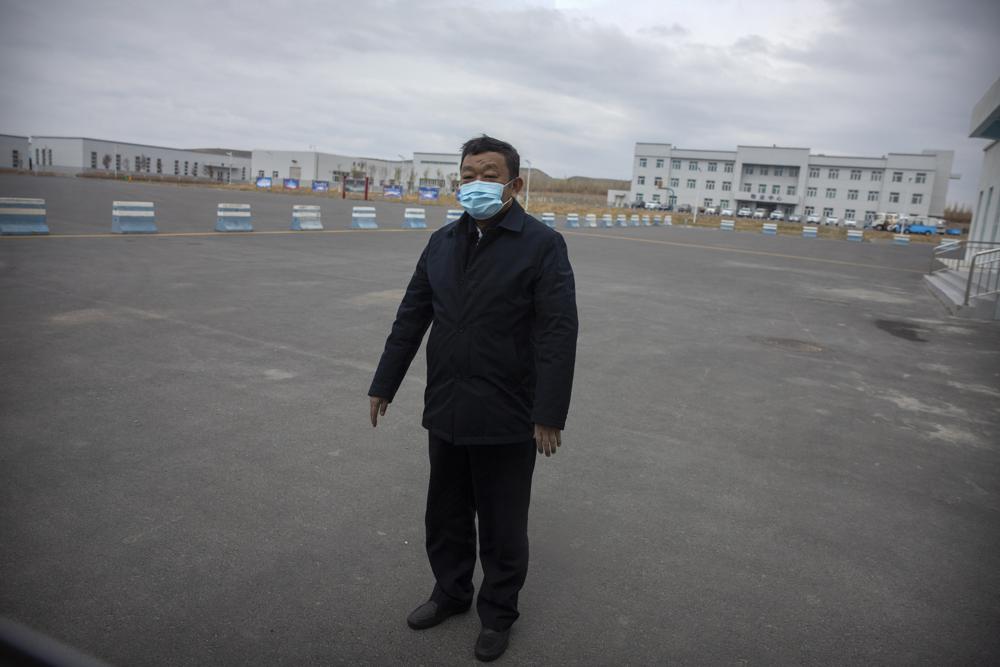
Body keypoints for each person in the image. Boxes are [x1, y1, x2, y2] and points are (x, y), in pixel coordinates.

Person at [368, 135, 578, 662]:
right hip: (447, 406)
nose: (475, 183)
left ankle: (499, 613)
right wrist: (383, 383)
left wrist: (548, 413)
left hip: (509, 412)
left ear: (514, 184)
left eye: (488, 174)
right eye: (467, 175)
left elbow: (557, 331)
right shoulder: (441, 242)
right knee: (446, 513)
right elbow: (412, 316)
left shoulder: (541, 245)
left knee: (503, 522)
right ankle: (450, 593)